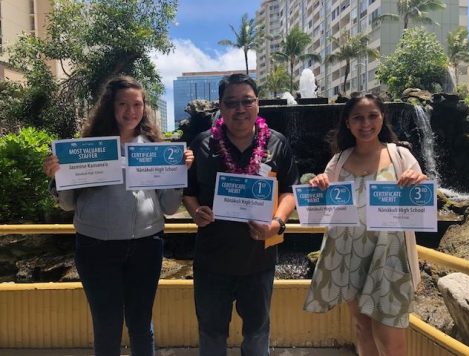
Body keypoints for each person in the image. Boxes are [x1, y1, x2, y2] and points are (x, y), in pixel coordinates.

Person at [43, 75, 194, 356]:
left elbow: (170, 208)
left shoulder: (157, 149)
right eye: (123, 104)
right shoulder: (87, 148)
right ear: (110, 106)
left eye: (137, 104)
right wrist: (57, 175)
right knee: (107, 325)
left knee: (141, 323)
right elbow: (67, 206)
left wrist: (178, 173)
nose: (131, 111)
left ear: (144, 107)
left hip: (147, 245)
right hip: (95, 246)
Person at [183, 73, 298, 356]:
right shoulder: (203, 143)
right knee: (211, 335)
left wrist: (277, 223)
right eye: (231, 102)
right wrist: (196, 211)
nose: (240, 109)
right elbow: (188, 191)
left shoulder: (277, 143)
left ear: (258, 104)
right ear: (220, 107)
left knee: (257, 335)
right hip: (212, 262)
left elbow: (289, 191)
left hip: (258, 261)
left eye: (247, 101)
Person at [303, 93, 427, 356]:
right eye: (358, 117)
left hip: (390, 257)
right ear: (348, 123)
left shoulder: (401, 157)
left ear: (382, 118)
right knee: (362, 327)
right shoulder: (338, 161)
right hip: (350, 254)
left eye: (372, 116)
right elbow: (325, 206)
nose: (366, 123)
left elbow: (422, 200)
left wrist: (418, 179)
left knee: (392, 336)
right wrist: (317, 184)